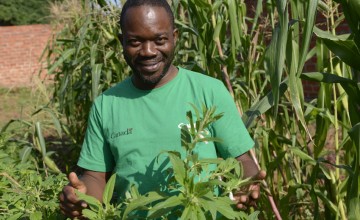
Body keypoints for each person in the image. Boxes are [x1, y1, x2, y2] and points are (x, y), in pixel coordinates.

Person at [59, 0, 266, 218]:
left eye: (159, 40)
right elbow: (94, 177)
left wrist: (246, 181)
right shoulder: (106, 104)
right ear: (122, 41)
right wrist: (81, 196)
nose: (148, 51)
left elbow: (242, 159)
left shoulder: (209, 91)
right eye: (135, 42)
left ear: (174, 37)